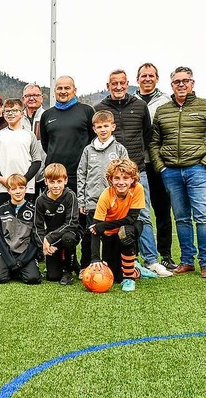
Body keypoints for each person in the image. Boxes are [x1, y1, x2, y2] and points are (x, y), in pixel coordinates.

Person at [150, 66, 206, 279]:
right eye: (177, 81)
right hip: (171, 173)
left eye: (185, 80)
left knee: (203, 216)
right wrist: (162, 167)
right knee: (181, 218)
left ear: (192, 83)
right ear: (171, 85)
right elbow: (154, 142)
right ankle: (187, 261)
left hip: (198, 170)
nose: (181, 84)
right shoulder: (163, 110)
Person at [95, 69, 170, 277]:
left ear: (127, 84)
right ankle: (123, 260)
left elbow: (147, 135)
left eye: (121, 83)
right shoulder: (99, 108)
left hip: (137, 171)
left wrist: (135, 165)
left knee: (143, 215)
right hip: (110, 175)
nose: (118, 87)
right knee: (111, 215)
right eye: (113, 83)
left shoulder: (140, 105)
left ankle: (151, 260)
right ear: (108, 85)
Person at [40, 75, 95, 272]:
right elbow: (47, 144)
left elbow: (92, 140)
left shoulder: (86, 111)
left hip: (79, 177)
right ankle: (66, 262)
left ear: (74, 89)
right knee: (57, 221)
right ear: (55, 91)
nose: (63, 91)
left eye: (67, 88)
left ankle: (87, 263)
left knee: (82, 222)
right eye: (59, 88)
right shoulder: (47, 115)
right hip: (56, 179)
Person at [135, 62, 177, 270]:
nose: (147, 79)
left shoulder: (166, 101)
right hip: (137, 165)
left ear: (157, 78)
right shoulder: (132, 101)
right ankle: (133, 254)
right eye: (143, 76)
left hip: (158, 163)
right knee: (137, 212)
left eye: (151, 75)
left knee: (162, 209)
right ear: (138, 80)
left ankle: (165, 255)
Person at [76, 110, 129, 275]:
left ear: (113, 127)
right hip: (92, 202)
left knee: (111, 235)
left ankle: (113, 266)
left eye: (106, 126)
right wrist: (82, 201)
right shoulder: (88, 150)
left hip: (114, 204)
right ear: (94, 128)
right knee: (90, 235)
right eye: (99, 127)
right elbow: (81, 175)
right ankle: (86, 266)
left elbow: (128, 174)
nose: (103, 129)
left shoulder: (119, 149)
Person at [89, 159, 147, 292]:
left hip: (130, 226)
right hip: (111, 236)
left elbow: (131, 218)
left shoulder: (138, 189)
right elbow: (95, 230)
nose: (121, 182)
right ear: (110, 179)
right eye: (117, 178)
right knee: (115, 277)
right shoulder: (105, 195)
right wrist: (95, 258)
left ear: (132, 179)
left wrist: (104, 225)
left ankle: (130, 279)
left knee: (125, 232)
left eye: (126, 178)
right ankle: (136, 269)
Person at [0, 98, 42, 207]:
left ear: (22, 114)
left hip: (25, 188)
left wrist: (24, 180)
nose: (11, 114)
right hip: (3, 187)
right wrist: (1, 179)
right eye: (7, 111)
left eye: (15, 111)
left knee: (25, 220)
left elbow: (37, 161)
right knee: (4, 219)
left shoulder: (30, 135)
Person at [0, 174, 41, 284]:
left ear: (26, 189)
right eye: (14, 189)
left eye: (21, 188)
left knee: (33, 279)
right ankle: (13, 269)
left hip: (25, 253)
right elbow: (0, 239)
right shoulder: (1, 210)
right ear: (8, 191)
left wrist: (22, 261)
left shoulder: (33, 210)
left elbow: (35, 239)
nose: (18, 192)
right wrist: (11, 261)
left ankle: (19, 268)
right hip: (6, 253)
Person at [33, 163, 80, 285]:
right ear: (46, 181)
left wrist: (49, 238)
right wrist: (44, 244)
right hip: (51, 241)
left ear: (65, 180)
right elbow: (37, 227)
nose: (56, 185)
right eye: (52, 182)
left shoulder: (70, 196)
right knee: (52, 276)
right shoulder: (40, 200)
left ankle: (68, 269)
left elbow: (72, 223)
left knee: (68, 238)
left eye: (59, 181)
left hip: (69, 234)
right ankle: (72, 263)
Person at [21, 83, 47, 188]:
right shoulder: (17, 119)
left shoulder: (48, 117)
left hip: (44, 175)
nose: (32, 98)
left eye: (35, 95)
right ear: (23, 99)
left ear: (42, 98)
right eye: (28, 96)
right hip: (22, 175)